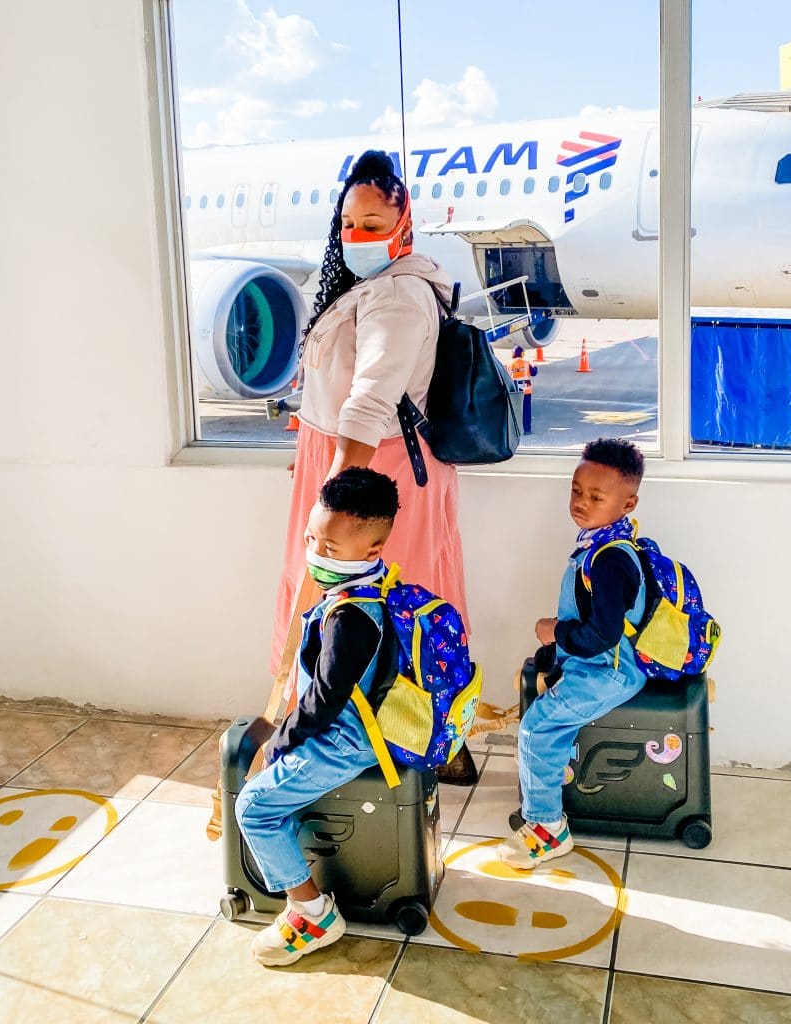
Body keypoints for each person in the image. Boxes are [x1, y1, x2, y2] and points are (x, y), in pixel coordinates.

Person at [271, 149, 470, 682]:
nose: (357, 235)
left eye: (372, 224)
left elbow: (368, 404)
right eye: (349, 224)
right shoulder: (372, 287)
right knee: (355, 603)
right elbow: (334, 395)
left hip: (374, 474)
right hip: (348, 462)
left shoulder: (399, 293)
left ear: (404, 228)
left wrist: (332, 486)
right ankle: (411, 739)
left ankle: (386, 735)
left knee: (379, 609)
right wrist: (314, 458)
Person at [237, 468, 400, 967]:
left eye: (329, 548)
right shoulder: (373, 586)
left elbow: (325, 702)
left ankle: (311, 915)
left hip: (343, 741)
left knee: (254, 808)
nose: (314, 554)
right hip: (350, 727)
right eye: (312, 539)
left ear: (371, 549)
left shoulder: (351, 616)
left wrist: (279, 742)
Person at [498, 438, 647, 869]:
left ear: (628, 503)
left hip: (608, 671)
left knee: (536, 729)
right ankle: (549, 789)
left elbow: (602, 635)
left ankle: (547, 829)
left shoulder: (608, 560)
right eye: (577, 491)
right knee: (548, 726)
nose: (582, 503)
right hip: (596, 665)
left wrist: (555, 632)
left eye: (596, 497)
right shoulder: (603, 545)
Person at [509, 345, 538, 434]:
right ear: (522, 354)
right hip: (526, 390)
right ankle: (527, 430)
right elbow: (534, 373)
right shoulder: (526, 363)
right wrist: (536, 367)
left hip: (515, 391)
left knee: (513, 411)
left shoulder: (509, 364)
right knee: (526, 410)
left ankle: (514, 431)